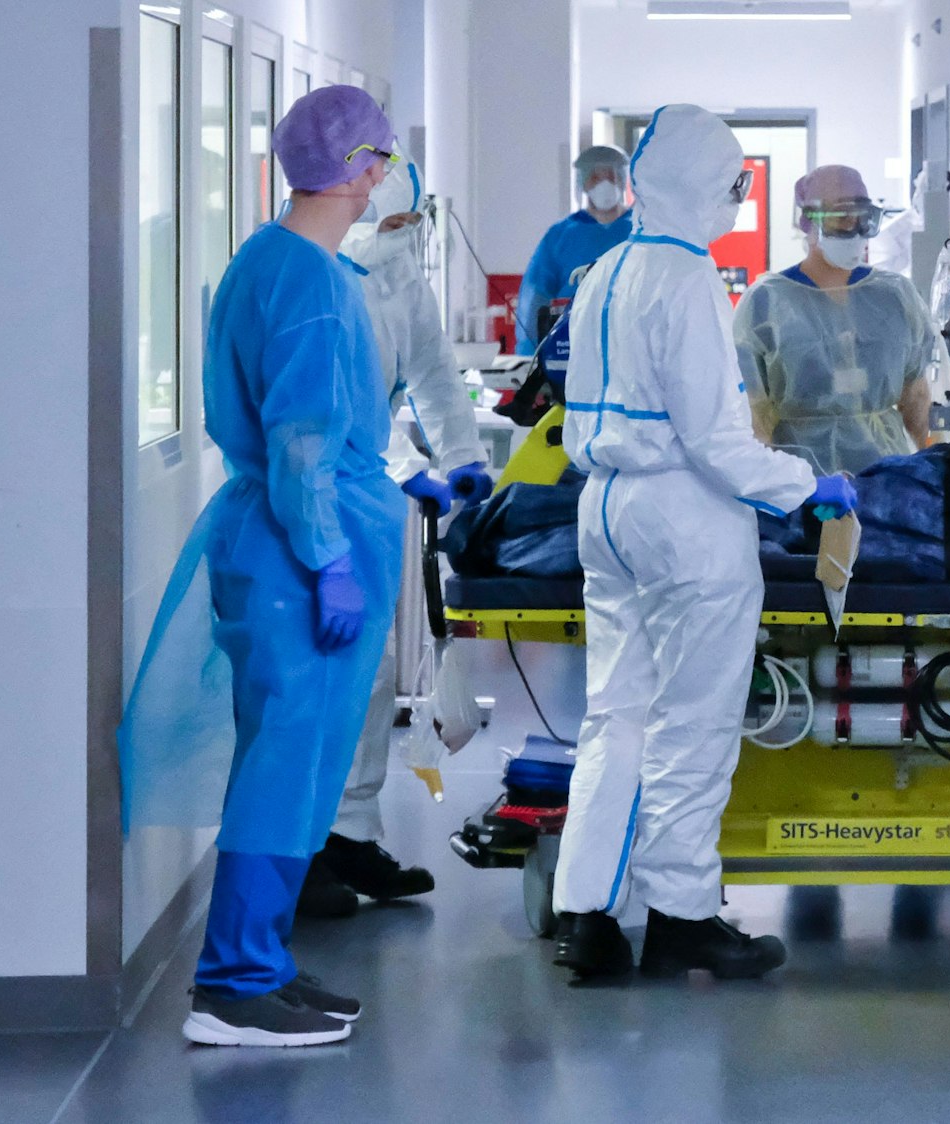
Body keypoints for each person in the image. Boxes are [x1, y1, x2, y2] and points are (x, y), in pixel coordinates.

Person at [118, 85, 405, 1047]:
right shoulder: (313, 286)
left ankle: (263, 963)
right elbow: (302, 444)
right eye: (380, 159)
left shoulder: (269, 261)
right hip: (298, 554)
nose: (383, 177)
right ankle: (232, 984)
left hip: (282, 542)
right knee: (284, 765)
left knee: (294, 758)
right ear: (360, 168)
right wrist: (330, 559)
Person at [549, 104, 858, 982]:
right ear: (705, 184)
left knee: (615, 715)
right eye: (733, 183)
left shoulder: (608, 267)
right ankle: (682, 913)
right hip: (683, 519)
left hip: (605, 510)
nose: (736, 198)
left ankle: (588, 917)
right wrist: (807, 486)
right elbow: (715, 443)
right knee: (692, 721)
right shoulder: (687, 277)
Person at [295, 159, 495, 918]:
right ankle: (302, 855)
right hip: (312, 504)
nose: (405, 238)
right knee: (317, 686)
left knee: (372, 677)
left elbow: (435, 372)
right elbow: (322, 417)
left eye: (415, 225)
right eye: (394, 224)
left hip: (363, 502)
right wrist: (409, 465)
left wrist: (467, 460)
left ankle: (350, 835)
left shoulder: (395, 272)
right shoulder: (313, 282)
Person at [733, 164, 933, 475]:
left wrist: (935, 474)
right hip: (802, 485)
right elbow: (754, 417)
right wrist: (771, 491)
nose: (855, 229)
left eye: (863, 218)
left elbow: (917, 400)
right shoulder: (766, 304)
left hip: (885, 480)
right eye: (842, 217)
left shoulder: (895, 296)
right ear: (808, 221)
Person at [516, 144, 634, 354]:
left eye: (611, 175)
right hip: (569, 348)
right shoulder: (561, 236)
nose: (605, 183)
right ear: (583, 182)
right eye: (596, 177)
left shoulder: (640, 230)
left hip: (630, 347)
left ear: (622, 178)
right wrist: (529, 357)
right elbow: (534, 300)